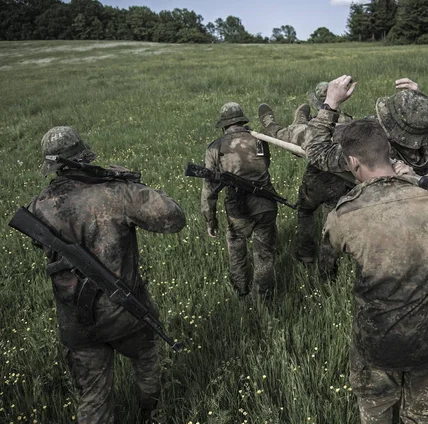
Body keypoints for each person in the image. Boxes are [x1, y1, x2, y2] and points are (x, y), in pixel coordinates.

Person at [28, 126, 186, 424]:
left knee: (93, 401)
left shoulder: (40, 205)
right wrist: (128, 182)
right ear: (84, 156)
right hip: (125, 314)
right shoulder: (116, 193)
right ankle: (152, 415)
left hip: (77, 322)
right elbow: (174, 218)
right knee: (148, 365)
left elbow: (39, 241)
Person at [320, 116, 428, 423]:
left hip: (378, 341)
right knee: (426, 413)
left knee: (376, 406)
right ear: (389, 153)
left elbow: (328, 258)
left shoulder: (346, 212)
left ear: (353, 162)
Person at [258, 82, 354, 275]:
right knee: (331, 225)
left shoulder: (311, 130)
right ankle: (328, 272)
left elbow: (280, 136)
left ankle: (306, 254)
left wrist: (272, 126)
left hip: (316, 181)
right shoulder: (352, 124)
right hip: (343, 184)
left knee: (305, 211)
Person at [201, 102, 277, 299]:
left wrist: (210, 220)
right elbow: (264, 164)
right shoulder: (259, 140)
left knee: (236, 246)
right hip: (266, 203)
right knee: (264, 255)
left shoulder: (215, 148)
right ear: (242, 121)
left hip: (238, 210)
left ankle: (241, 291)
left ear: (225, 125)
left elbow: (209, 188)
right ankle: (265, 298)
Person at [305, 76, 428, 177]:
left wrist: (329, 105)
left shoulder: (377, 149)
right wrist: (418, 102)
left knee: (302, 131)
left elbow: (317, 153)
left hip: (339, 134)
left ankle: (300, 123)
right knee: (345, 123)